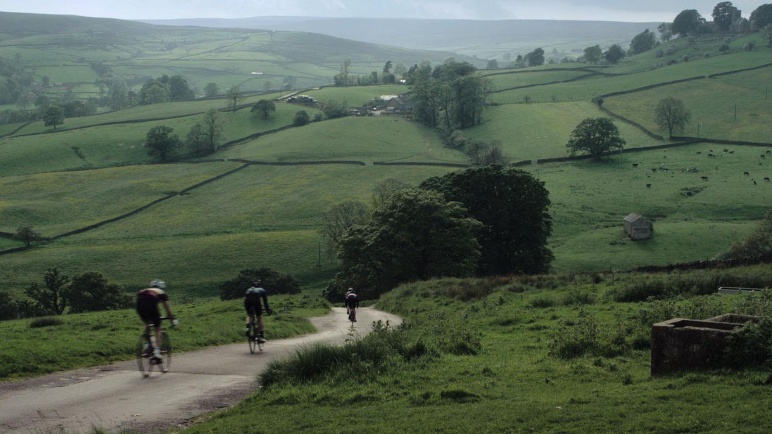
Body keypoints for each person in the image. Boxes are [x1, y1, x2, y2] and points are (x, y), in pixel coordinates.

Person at [136, 279, 178, 361]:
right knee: (157, 327)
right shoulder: (161, 293)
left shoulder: (147, 290)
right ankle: (157, 352)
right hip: (150, 304)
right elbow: (167, 308)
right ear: (162, 288)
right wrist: (172, 319)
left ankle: (147, 345)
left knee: (147, 323)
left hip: (139, 303)